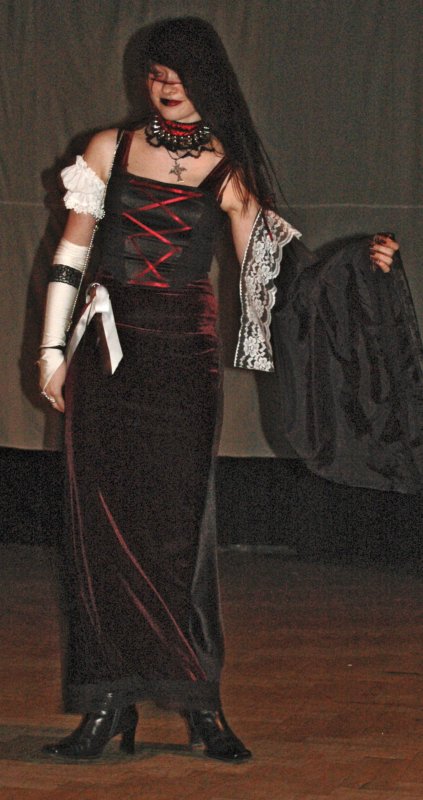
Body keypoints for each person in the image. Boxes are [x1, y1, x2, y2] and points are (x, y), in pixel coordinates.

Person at [38, 16, 399, 762]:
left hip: (182, 359)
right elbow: (70, 253)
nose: (165, 86)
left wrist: (356, 265)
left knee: (180, 534)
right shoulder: (107, 149)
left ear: (208, 79)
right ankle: (107, 704)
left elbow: (276, 278)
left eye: (178, 74)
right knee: (98, 530)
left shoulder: (229, 169)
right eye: (155, 73)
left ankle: (201, 704)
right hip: (106, 354)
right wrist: (50, 352)